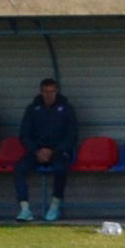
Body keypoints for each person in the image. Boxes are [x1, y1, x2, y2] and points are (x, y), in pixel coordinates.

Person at [14, 79, 77, 223]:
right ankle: (24, 209)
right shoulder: (32, 109)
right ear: (41, 92)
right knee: (19, 169)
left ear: (57, 92)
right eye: (46, 92)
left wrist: (53, 150)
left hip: (58, 152)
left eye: (52, 91)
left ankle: (55, 206)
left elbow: (71, 136)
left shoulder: (66, 109)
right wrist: (37, 150)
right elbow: (24, 135)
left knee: (61, 169)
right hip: (36, 152)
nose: (49, 95)